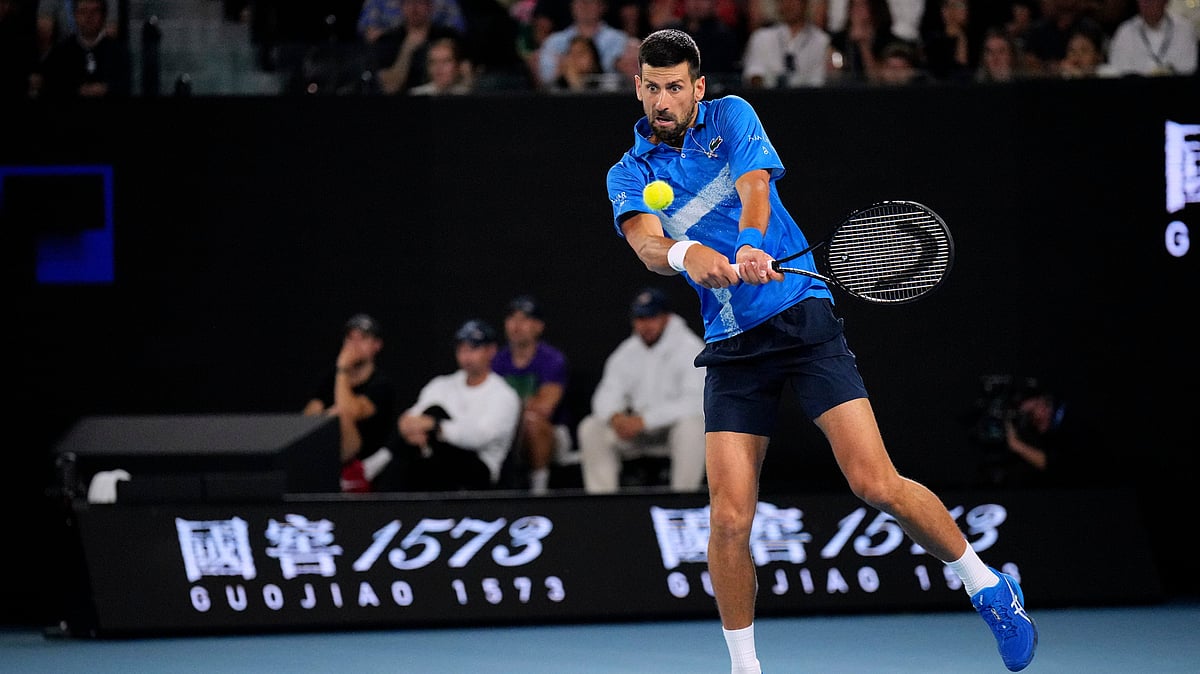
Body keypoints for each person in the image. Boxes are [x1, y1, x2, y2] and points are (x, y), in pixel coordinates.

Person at [605, 29, 1037, 673]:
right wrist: (687, 254)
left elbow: (754, 186)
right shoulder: (629, 168)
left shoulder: (732, 117)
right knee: (727, 519)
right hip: (731, 345)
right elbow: (644, 241)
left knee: (875, 482)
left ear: (697, 88)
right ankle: (744, 669)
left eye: (675, 87)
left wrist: (750, 241)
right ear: (638, 86)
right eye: (652, 87)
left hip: (800, 319)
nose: (662, 99)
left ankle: (986, 584)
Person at [577, 287, 707, 493]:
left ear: (666, 317)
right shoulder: (627, 351)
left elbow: (696, 403)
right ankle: (602, 503)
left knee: (694, 427)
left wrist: (646, 420)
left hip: (670, 431)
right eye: (640, 318)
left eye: (652, 317)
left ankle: (683, 498)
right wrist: (615, 417)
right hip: (634, 432)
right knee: (591, 427)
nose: (645, 325)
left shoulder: (690, 347)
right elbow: (606, 394)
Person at [385, 319, 521, 492]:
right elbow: (413, 416)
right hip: (433, 459)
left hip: (478, 469)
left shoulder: (504, 395)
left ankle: (372, 467)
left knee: (435, 414)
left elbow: (480, 437)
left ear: (491, 351)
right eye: (462, 349)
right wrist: (409, 426)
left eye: (473, 349)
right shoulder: (441, 384)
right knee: (409, 450)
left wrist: (436, 426)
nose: (466, 356)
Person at [302, 313, 398, 493]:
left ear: (376, 345)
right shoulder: (329, 379)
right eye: (350, 338)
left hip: (368, 469)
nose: (354, 345)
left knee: (339, 414)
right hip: (326, 462)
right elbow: (307, 419)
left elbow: (348, 411)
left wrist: (343, 368)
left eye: (362, 339)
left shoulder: (381, 385)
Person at [492, 295, 571, 494]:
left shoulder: (552, 359)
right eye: (512, 319)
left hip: (553, 433)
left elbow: (545, 407)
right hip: (508, 429)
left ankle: (539, 490)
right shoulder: (497, 360)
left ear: (538, 326)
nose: (517, 326)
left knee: (532, 421)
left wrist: (509, 408)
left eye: (524, 319)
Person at [34, 0, 129, 98]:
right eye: (83, 12)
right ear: (75, 16)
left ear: (104, 16)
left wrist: (106, 89)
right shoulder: (61, 52)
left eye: (95, 11)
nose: (89, 17)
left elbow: (124, 85)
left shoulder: (118, 52)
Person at [536, 0, 631, 90]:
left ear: (602, 6)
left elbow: (632, 77)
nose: (585, 6)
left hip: (611, 98)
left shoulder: (621, 40)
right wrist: (563, 69)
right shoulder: (554, 42)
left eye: (590, 2)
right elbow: (545, 78)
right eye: (580, 2)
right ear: (572, 6)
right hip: (563, 98)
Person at [741, 0, 833, 88]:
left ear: (805, 3)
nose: (788, 4)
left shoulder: (821, 41)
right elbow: (753, 75)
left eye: (794, 0)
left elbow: (818, 81)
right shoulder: (761, 37)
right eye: (784, 0)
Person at [1103, 0, 1198, 77]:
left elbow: (1189, 67)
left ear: (1165, 2)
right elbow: (1117, 69)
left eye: (1154, 1)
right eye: (1144, 1)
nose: (1148, 5)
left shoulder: (1184, 29)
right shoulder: (1124, 32)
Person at [408, 35, 474, 94]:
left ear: (457, 65)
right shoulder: (416, 95)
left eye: (445, 61)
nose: (439, 67)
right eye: (433, 62)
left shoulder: (467, 94)